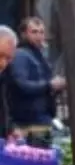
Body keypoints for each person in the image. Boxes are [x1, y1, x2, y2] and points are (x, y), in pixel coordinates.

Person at [8, 18, 64, 147]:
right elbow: (21, 85)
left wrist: (57, 86)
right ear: (23, 34)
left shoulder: (39, 55)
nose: (39, 36)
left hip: (43, 118)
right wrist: (49, 85)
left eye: (41, 32)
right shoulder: (20, 55)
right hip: (28, 122)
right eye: (34, 32)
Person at [0, 26, 18, 138]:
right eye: (0, 55)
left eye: (8, 58)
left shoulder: (4, 78)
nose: (3, 64)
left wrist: (9, 130)